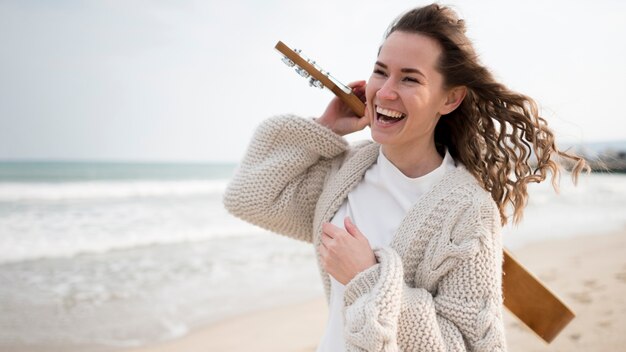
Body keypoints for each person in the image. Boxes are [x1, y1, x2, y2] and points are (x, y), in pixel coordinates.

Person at [223, 3, 587, 351]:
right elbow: (250, 198)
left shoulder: (468, 211)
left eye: (410, 79)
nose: (385, 91)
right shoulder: (347, 173)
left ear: (450, 99)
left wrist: (368, 278)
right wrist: (323, 128)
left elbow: (467, 345)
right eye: (381, 71)